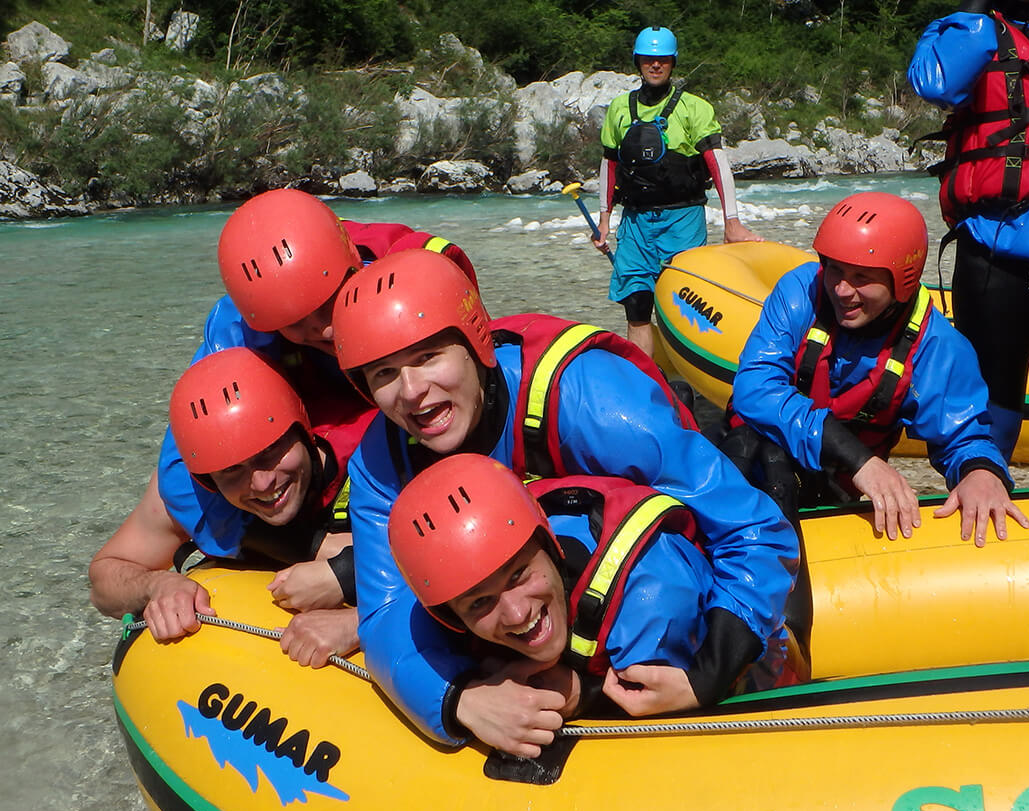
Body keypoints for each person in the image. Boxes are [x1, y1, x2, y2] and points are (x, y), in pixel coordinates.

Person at [333, 248, 798, 755]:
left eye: (428, 357)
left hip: (671, 598)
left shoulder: (590, 399)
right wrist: (460, 700)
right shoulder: (382, 461)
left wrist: (708, 673)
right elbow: (384, 610)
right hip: (560, 610)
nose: (413, 393)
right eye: (383, 375)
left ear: (477, 344)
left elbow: (752, 530)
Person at [387, 453, 801, 758]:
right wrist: (465, 697)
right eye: (479, 603)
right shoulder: (500, 534)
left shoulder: (651, 603)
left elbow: (660, 736)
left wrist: (577, 695)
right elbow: (391, 632)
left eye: (518, 576)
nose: (516, 614)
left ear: (547, 544)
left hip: (756, 674)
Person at [155, 187, 476, 563]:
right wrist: (307, 546)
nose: (325, 330)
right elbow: (182, 466)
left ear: (354, 266)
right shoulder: (243, 323)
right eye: (294, 324)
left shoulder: (423, 275)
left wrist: (331, 450)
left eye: (330, 302)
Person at [727, 192, 1028, 547]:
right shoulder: (799, 292)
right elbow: (755, 389)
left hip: (831, 488)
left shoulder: (938, 347)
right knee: (760, 449)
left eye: (861, 277)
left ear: (903, 278)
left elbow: (963, 436)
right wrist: (859, 460)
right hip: (754, 460)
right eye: (835, 268)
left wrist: (981, 469)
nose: (841, 289)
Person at [90, 348, 370, 667]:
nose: (263, 483)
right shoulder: (193, 496)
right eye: (232, 470)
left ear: (303, 430)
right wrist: (158, 584)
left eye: (270, 452)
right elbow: (104, 580)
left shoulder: (378, 459)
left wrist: (361, 619)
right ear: (208, 477)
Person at [909, 0, 1029, 461]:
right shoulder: (984, 33)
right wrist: (971, 15)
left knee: (996, 385)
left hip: (1001, 243)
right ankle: (983, 474)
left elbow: (932, 80)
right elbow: (934, 82)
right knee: (991, 386)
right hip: (995, 242)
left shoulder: (989, 31)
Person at [592, 25, 763, 357]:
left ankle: (687, 377)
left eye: (663, 60)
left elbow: (718, 163)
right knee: (637, 305)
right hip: (636, 224)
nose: (656, 65)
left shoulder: (695, 108)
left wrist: (732, 222)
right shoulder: (619, 108)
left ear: (673, 63)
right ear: (638, 61)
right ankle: (647, 383)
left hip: (682, 222)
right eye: (649, 59)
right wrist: (604, 221)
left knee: (682, 307)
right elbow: (609, 165)